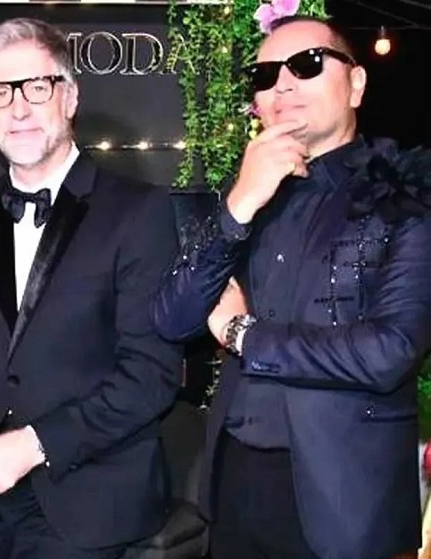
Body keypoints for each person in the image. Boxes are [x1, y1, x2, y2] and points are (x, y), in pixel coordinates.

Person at [0, 17, 183, 559]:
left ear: (70, 98)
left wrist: (33, 445)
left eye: (36, 87)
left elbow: (151, 375)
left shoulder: (139, 212)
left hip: (92, 486)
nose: (19, 109)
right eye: (0, 93)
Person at [151, 15, 431, 559]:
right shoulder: (247, 195)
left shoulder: (407, 193)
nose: (282, 85)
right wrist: (239, 203)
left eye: (307, 65)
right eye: (264, 75)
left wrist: (244, 334)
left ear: (356, 84)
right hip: (234, 485)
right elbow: (172, 318)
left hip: (347, 498)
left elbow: (389, 352)